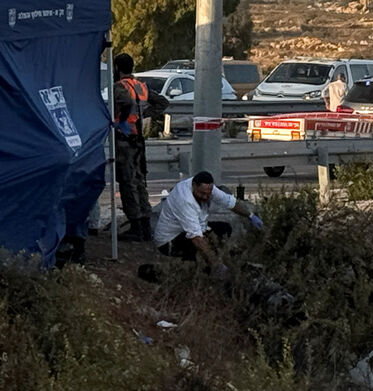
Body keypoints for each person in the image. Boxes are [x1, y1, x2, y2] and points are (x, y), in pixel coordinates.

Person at [154, 171, 262, 277]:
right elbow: (196, 238)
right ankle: (202, 268)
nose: (206, 197)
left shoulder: (207, 187)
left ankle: (213, 262)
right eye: (202, 194)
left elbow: (230, 202)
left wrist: (251, 216)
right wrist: (217, 265)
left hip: (191, 228)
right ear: (194, 186)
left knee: (224, 229)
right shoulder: (184, 201)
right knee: (201, 245)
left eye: (208, 194)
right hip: (170, 240)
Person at [112, 52, 168, 242]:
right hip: (139, 139)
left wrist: (123, 119)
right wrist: (144, 116)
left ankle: (136, 226)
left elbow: (125, 104)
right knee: (139, 181)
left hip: (124, 139)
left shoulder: (119, 88)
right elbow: (162, 102)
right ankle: (145, 225)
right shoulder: (141, 86)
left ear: (117, 68)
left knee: (128, 183)